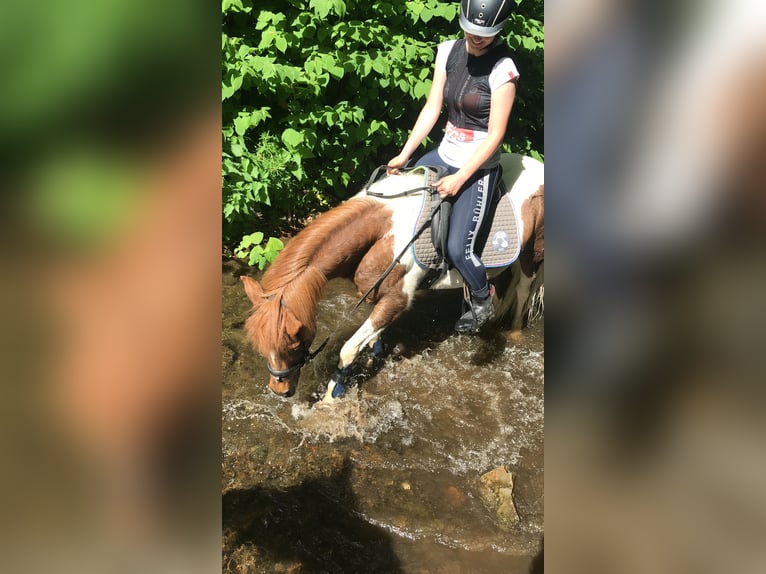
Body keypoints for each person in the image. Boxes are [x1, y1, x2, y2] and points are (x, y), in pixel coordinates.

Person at [387, 0, 519, 333]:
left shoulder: (504, 69)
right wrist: (405, 154)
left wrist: (460, 179)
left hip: (477, 166)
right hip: (443, 152)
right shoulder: (448, 51)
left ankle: (482, 298)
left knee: (459, 248)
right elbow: (432, 108)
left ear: (499, 31)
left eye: (485, 33)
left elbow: (496, 135)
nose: (477, 37)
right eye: (472, 30)